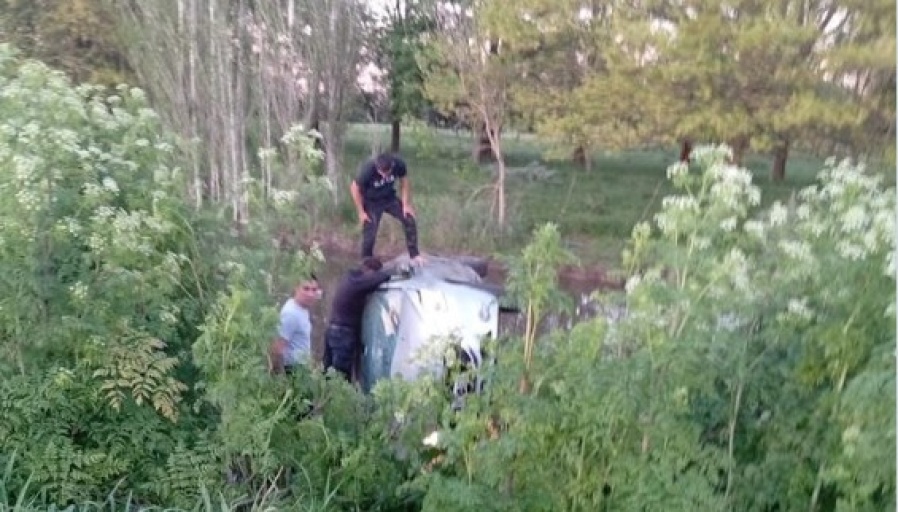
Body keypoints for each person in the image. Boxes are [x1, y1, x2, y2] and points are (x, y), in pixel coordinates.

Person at [323, 257, 401, 381]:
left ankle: (325, 398)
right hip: (343, 333)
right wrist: (392, 270)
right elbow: (381, 277)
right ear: (369, 271)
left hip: (334, 331)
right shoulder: (357, 282)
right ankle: (337, 399)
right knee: (341, 376)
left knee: (328, 372)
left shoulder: (350, 279)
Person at [350, 152, 424, 264]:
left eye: (387, 173)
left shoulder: (399, 164)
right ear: (377, 167)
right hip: (371, 201)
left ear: (392, 166)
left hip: (389, 198)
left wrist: (405, 204)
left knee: (409, 218)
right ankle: (366, 262)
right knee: (370, 231)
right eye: (381, 173)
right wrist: (361, 212)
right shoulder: (368, 169)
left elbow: (404, 181)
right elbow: (354, 188)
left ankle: (414, 255)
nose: (384, 176)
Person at [268, 274, 322, 375]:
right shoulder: (291, 314)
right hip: (292, 371)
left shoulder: (301, 308)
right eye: (306, 289)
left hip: (301, 369)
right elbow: (277, 348)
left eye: (314, 290)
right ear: (296, 288)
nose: (310, 294)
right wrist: (279, 379)